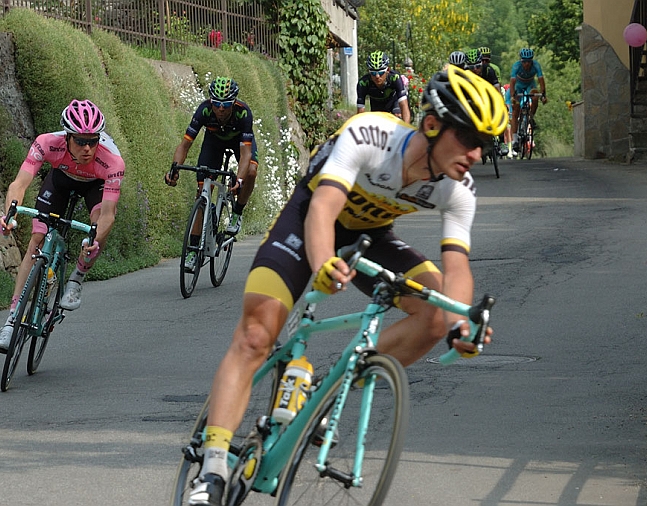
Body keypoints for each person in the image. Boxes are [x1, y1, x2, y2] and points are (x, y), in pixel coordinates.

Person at [184, 66, 505, 506]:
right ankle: (213, 466)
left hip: (370, 236)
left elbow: (457, 269)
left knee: (437, 315)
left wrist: (461, 323)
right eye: (469, 138)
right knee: (258, 333)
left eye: (484, 145)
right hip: (309, 219)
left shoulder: (458, 188)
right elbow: (322, 211)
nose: (476, 154)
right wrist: (323, 265)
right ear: (432, 125)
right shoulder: (372, 135)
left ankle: (322, 394)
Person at [0, 99, 125, 353]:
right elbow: (19, 185)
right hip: (61, 181)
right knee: (37, 241)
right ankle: (11, 321)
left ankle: (78, 276)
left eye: (93, 140)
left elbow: (108, 214)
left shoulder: (113, 161)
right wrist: (9, 214)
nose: (88, 148)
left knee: (96, 224)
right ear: (67, 138)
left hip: (94, 185)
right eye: (80, 141)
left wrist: (93, 239)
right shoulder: (46, 143)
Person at [166, 77, 259, 258]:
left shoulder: (243, 113)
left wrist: (239, 180)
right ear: (211, 101)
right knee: (201, 191)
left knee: (251, 171)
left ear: (234, 102)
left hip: (239, 142)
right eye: (216, 103)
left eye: (226, 104)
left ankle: (237, 213)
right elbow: (184, 145)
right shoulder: (204, 110)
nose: (220, 109)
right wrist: (174, 169)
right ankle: (193, 250)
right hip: (214, 142)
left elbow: (246, 154)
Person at [356, 50, 411, 123]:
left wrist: (406, 129)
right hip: (377, 104)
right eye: (373, 73)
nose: (377, 76)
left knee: (398, 115)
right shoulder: (363, 83)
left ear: (387, 70)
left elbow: (404, 105)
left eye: (381, 72)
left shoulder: (395, 78)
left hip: (394, 100)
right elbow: (360, 115)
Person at [510, 48, 547, 153]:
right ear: (521, 61)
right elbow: (512, 82)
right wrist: (513, 96)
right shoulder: (516, 66)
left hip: (530, 85)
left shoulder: (536, 65)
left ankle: (531, 116)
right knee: (515, 110)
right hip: (518, 85)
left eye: (529, 61)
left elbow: (541, 80)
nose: (527, 64)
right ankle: (515, 140)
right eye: (524, 62)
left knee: (535, 96)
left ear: (532, 61)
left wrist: (543, 94)